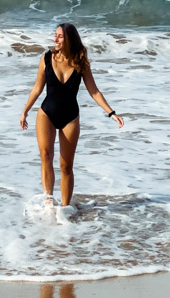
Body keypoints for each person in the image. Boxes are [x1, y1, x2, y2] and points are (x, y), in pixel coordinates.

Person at [19, 23, 123, 206]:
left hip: (70, 117)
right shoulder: (46, 58)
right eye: (55, 35)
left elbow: (94, 91)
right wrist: (25, 111)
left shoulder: (81, 62)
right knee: (46, 155)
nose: (55, 39)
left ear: (69, 39)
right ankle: (48, 202)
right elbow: (37, 88)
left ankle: (65, 209)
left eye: (59, 36)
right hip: (46, 114)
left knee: (66, 166)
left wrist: (111, 113)